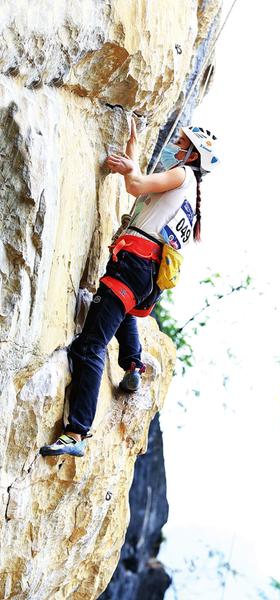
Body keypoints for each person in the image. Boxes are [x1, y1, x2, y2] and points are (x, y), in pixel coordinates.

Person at [40, 121, 219, 457]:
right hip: (146, 274)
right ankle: (133, 365)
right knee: (121, 312)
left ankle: (76, 431)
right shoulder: (188, 191)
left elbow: (136, 185)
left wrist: (131, 169)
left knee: (89, 345)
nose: (174, 146)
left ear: (192, 153)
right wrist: (134, 149)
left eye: (180, 143)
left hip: (134, 263)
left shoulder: (182, 176)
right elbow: (142, 191)